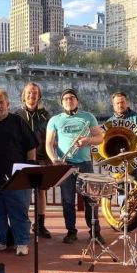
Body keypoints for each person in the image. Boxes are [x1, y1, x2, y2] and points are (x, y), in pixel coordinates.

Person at [0, 88, 38, 256]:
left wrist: (30, 167)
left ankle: (22, 242)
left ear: (8, 104)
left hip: (15, 180)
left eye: (1, 102)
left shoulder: (18, 122)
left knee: (18, 213)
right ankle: (0, 241)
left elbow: (31, 146)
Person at [45, 88, 104, 244]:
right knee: (68, 201)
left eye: (72, 98)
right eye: (65, 99)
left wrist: (87, 141)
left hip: (85, 164)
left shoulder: (88, 117)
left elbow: (99, 138)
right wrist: (54, 159)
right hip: (66, 164)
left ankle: (95, 232)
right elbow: (48, 144)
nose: (69, 100)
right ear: (61, 102)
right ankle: (71, 232)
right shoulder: (55, 120)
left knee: (91, 199)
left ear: (77, 100)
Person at [106, 92, 137, 231]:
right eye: (117, 103)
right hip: (118, 160)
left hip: (134, 159)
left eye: (122, 102)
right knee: (121, 190)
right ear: (113, 105)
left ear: (127, 102)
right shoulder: (109, 122)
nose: (120, 105)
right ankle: (124, 217)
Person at [15, 82, 51, 238]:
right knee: (23, 193)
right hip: (22, 158)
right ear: (24, 95)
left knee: (41, 192)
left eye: (35, 93)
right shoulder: (16, 115)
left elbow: (51, 137)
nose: (32, 95)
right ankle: (23, 225)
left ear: (39, 95)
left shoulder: (45, 115)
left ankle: (40, 225)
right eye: (29, 92)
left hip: (42, 157)